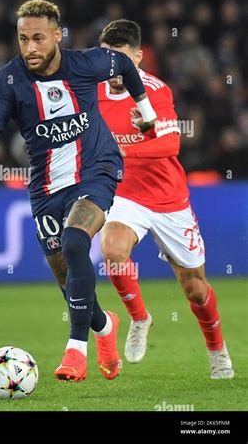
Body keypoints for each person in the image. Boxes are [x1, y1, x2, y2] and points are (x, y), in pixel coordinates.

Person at [0, 0, 158, 382]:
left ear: (57, 35)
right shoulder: (8, 78)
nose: (31, 48)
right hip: (46, 185)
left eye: (38, 38)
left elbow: (124, 65)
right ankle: (104, 327)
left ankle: (75, 351)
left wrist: (145, 110)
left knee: (74, 241)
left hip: (96, 168)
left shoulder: (86, 64)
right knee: (66, 277)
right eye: (23, 39)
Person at [98, 19, 234, 379]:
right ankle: (140, 318)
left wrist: (124, 154)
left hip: (168, 197)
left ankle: (217, 350)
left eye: (121, 58)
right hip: (125, 195)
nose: (114, 66)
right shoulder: (90, 92)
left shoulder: (155, 90)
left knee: (194, 288)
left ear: (138, 58)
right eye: (108, 57)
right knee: (111, 251)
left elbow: (171, 144)